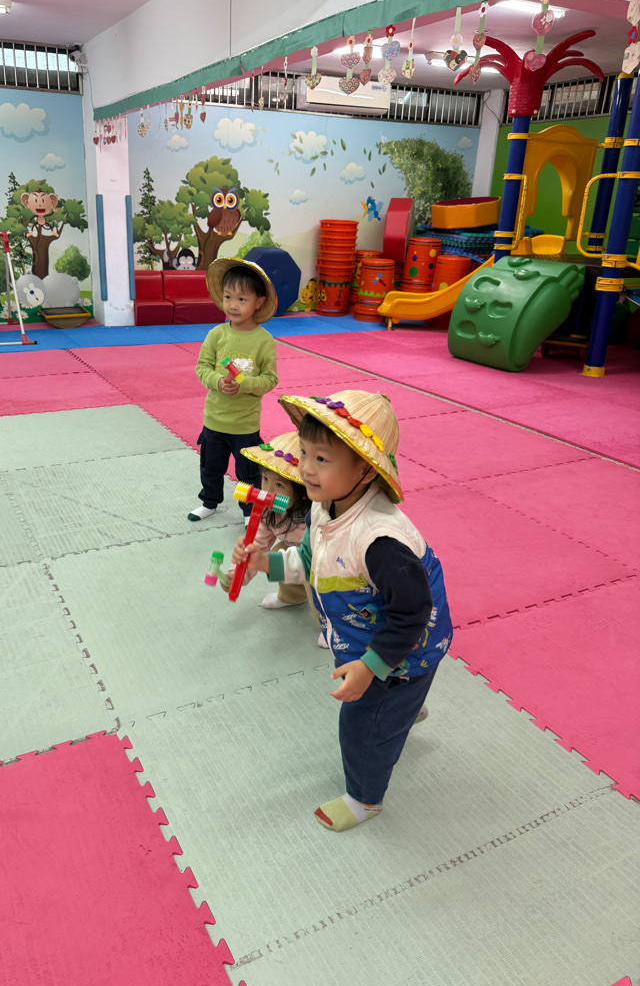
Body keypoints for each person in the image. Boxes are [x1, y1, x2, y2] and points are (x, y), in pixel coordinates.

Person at [231, 389, 452, 831]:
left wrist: (371, 667)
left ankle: (365, 799)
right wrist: (264, 562)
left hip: (403, 651)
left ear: (366, 469)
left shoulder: (380, 541)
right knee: (391, 707)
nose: (306, 469)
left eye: (322, 459)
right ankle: (406, 710)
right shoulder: (323, 506)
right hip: (375, 637)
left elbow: (412, 614)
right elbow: (311, 562)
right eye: (304, 453)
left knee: (362, 728)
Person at [188, 258, 278, 522]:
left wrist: (245, 384)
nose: (232, 305)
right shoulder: (216, 335)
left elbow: (270, 379)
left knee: (248, 473)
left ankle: (249, 511)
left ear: (258, 302)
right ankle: (209, 502)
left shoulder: (264, 341)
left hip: (245, 425)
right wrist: (218, 381)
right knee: (210, 467)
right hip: (214, 420)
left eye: (241, 299)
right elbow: (202, 367)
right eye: (228, 297)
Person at [224, 431, 314, 611]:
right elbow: (257, 543)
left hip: (320, 558)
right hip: (295, 551)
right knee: (278, 553)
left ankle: (326, 618)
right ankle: (291, 596)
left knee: (315, 581)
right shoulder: (268, 512)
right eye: (265, 479)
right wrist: (238, 574)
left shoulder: (316, 516)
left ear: (304, 492)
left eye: (279, 485)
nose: (268, 491)